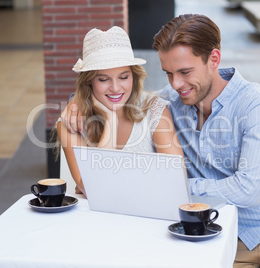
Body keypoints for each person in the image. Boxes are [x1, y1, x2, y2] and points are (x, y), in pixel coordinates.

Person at [61, 15, 260, 267]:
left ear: (213, 59)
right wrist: (76, 100)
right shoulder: (171, 100)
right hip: (212, 234)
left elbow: (248, 191)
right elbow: (120, 95)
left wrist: (174, 185)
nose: (176, 84)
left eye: (184, 71)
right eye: (168, 73)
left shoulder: (255, 104)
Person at [56, 26, 183, 196]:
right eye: (103, 79)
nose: (115, 88)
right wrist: (110, 121)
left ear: (134, 76)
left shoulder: (154, 109)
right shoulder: (71, 121)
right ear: (89, 82)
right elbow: (94, 189)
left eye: (124, 77)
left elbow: (175, 180)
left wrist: (98, 183)